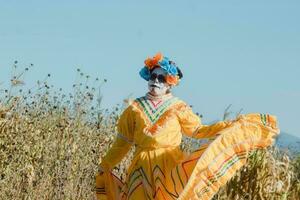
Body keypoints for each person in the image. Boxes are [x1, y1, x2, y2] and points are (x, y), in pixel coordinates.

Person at [95, 53, 279, 200]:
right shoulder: (135, 108)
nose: (156, 81)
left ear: (170, 84)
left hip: (168, 165)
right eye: (153, 76)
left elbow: (199, 131)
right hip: (140, 167)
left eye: (162, 78)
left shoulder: (178, 107)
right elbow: (123, 142)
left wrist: (231, 125)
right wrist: (106, 164)